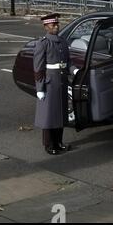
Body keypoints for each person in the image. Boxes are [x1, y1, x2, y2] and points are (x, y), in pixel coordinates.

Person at [33, 13, 79, 155]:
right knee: (49, 116)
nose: (56, 27)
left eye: (57, 24)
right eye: (53, 25)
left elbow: (68, 61)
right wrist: (40, 88)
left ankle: (59, 142)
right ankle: (49, 145)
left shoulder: (63, 41)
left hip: (62, 82)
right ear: (46, 27)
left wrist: (74, 70)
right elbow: (39, 68)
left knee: (60, 114)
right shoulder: (43, 43)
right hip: (49, 83)